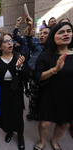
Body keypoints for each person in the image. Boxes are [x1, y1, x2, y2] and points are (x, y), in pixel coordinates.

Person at [33, 22, 73, 150]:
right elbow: (38, 76)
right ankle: (42, 141)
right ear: (53, 37)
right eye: (61, 32)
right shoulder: (45, 55)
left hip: (69, 96)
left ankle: (54, 140)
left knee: (63, 123)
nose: (66, 34)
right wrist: (55, 69)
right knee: (44, 124)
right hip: (49, 95)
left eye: (68, 31)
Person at [0, 32, 29, 150]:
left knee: (18, 115)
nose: (9, 43)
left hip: (16, 92)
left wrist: (20, 68)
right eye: (5, 41)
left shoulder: (19, 57)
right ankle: (10, 131)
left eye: (10, 40)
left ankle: (20, 135)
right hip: (2, 94)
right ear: (0, 46)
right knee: (6, 114)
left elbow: (26, 78)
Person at [25, 15, 52, 120]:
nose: (41, 35)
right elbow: (29, 41)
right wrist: (30, 27)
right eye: (40, 33)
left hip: (48, 77)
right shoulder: (36, 44)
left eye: (45, 33)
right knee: (33, 96)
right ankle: (32, 113)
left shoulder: (54, 50)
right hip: (34, 76)